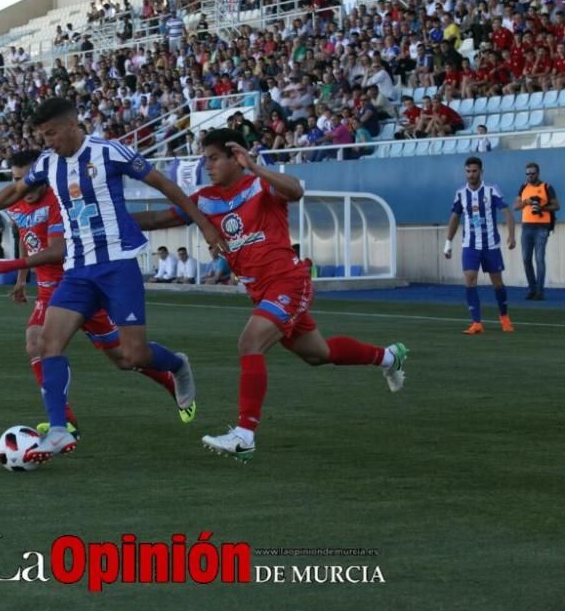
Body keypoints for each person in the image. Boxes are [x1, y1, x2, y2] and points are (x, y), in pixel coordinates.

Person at [0, 97, 227, 464]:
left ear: (73, 124)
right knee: (47, 344)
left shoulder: (110, 152)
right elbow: (12, 192)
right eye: (42, 135)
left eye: (51, 133)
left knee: (133, 356)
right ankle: (57, 429)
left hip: (117, 265)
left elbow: (166, 186)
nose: (47, 141)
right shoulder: (49, 163)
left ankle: (176, 364)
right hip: (77, 270)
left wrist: (207, 226)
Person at [131, 128, 408, 462]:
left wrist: (256, 167)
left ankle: (244, 435)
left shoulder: (260, 186)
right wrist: (111, 222)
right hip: (261, 290)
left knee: (250, 342)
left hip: (288, 281)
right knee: (318, 353)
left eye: (214, 158)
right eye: (206, 159)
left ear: (236, 157)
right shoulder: (205, 199)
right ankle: (390, 357)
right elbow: (158, 218)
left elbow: (296, 191)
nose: (208, 165)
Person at [0, 150, 181, 437]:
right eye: (17, 180)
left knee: (125, 359)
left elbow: (56, 250)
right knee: (36, 344)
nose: (25, 187)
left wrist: (11, 265)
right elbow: (27, 237)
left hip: (80, 283)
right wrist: (22, 280)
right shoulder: (16, 205)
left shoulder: (59, 202)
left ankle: (168, 377)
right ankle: (64, 422)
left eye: (29, 180)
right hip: (50, 292)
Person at [444, 157, 516, 334]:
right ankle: (477, 323)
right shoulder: (460, 193)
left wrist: (511, 235)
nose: (471, 174)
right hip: (470, 245)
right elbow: (454, 217)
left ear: (481, 172)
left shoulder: (491, 190)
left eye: (474, 171)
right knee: (469, 279)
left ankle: (504, 317)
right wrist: (448, 243)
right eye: (468, 171)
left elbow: (507, 212)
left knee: (497, 283)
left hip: (491, 245)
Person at [514, 162, 559, 300]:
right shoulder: (523, 187)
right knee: (526, 259)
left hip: (542, 227)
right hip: (526, 226)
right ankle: (532, 289)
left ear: (538, 173)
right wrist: (526, 202)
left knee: (539, 259)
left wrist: (542, 208)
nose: (530, 176)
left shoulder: (546, 187)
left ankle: (539, 291)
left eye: (532, 173)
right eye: (527, 173)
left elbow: (556, 205)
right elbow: (516, 206)